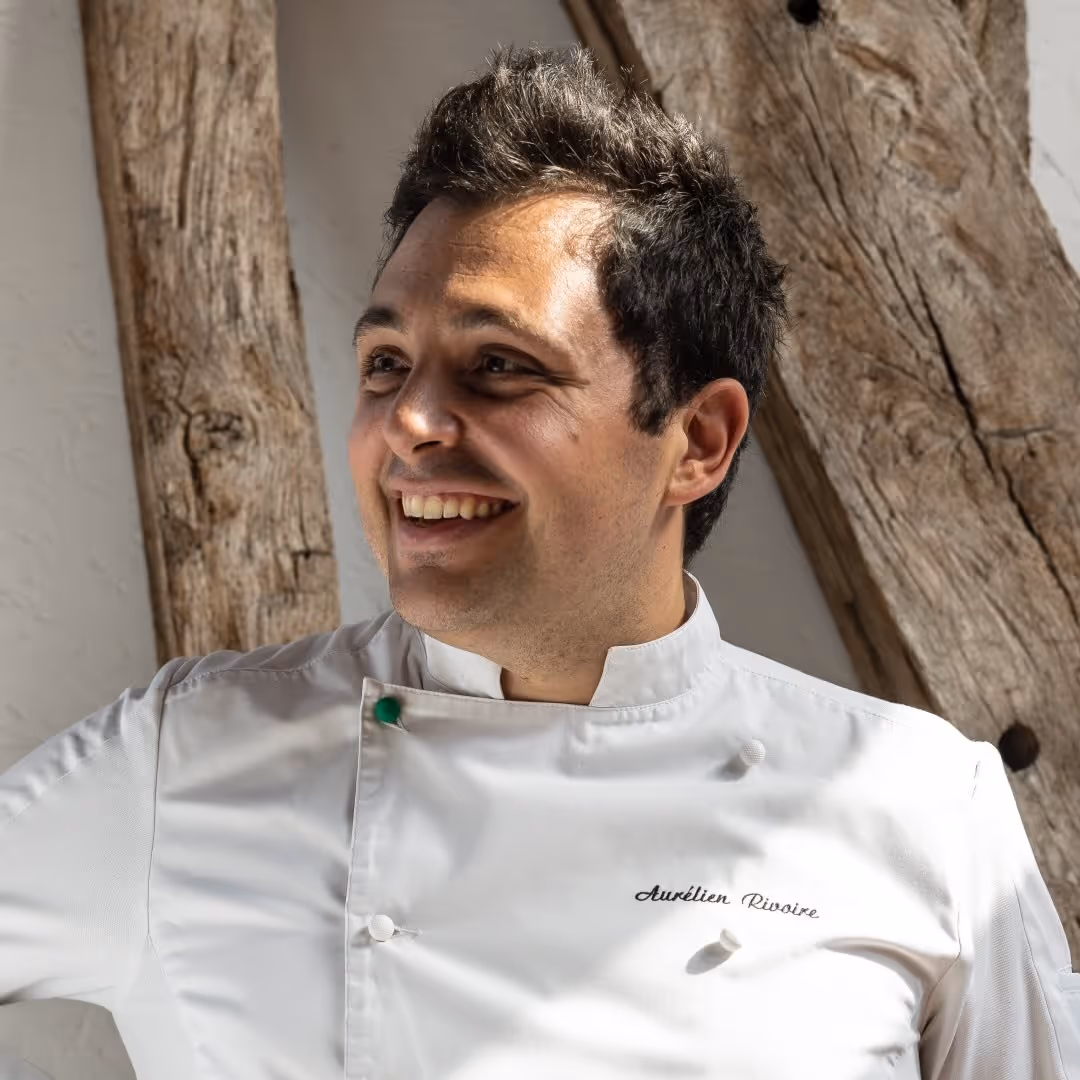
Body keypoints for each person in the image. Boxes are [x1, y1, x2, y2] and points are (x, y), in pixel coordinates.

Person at [1, 42, 1077, 1080]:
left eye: (500, 366)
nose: (411, 420)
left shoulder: (922, 808)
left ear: (696, 441)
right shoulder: (183, 761)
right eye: (384, 363)